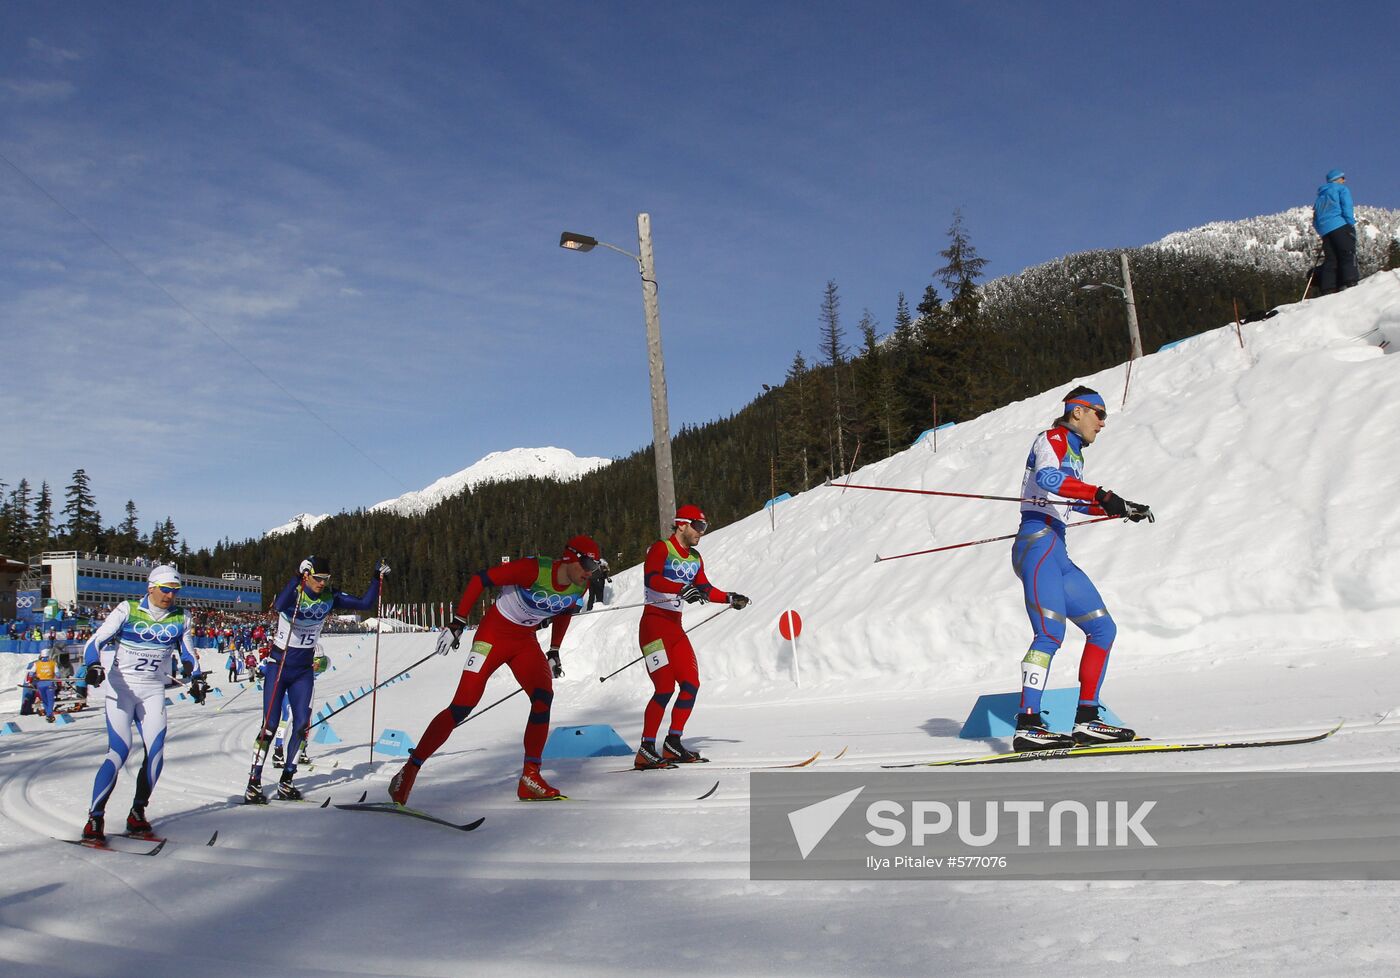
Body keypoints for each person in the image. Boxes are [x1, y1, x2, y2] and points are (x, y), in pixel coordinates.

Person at [388, 535, 603, 805]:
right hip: (493, 636)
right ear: (570, 557)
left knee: (542, 697)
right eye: (586, 564)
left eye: (594, 567)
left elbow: (564, 614)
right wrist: (458, 621)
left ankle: (530, 777)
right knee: (461, 707)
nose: (589, 572)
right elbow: (481, 579)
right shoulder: (534, 570)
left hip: (524, 641)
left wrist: (554, 650)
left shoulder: (578, 587)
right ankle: (408, 771)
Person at [1010, 387, 1153, 751]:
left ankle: (1087, 720)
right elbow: (1048, 480)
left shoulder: (1074, 453)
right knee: (1049, 635)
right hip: (1037, 542)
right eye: (1099, 414)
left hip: (1057, 548)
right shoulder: (1053, 438)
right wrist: (1100, 494)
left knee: (1102, 629)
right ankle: (1027, 724)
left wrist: (1117, 507)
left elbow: (1071, 503)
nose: (1103, 424)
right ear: (1077, 412)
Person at [243, 555, 387, 804]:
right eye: (318, 578)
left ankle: (287, 779)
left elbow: (365, 603)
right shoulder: (295, 594)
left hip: (303, 671)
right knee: (270, 725)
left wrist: (376, 577)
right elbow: (280, 605)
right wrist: (296, 577)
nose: (322, 583)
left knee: (301, 725)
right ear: (307, 575)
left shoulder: (329, 597)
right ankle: (253, 782)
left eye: (326, 579)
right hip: (278, 667)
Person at [79, 565, 201, 841]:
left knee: (156, 753)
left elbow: (189, 653)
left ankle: (137, 814)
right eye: (165, 590)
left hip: (152, 691)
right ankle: (94, 818)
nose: (170, 596)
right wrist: (93, 665)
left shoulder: (182, 617)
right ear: (151, 588)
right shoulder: (127, 610)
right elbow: (94, 642)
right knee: (119, 752)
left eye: (174, 591)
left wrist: (196, 677)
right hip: (121, 691)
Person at [633, 505, 750, 769]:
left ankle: (673, 743)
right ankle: (645, 748)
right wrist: (681, 588)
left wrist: (730, 598)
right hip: (653, 626)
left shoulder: (695, 558)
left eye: (704, 527)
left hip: (675, 628)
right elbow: (651, 579)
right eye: (698, 526)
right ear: (682, 524)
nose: (701, 532)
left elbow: (705, 588)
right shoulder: (661, 548)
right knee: (664, 688)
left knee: (690, 683)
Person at [1313, 168, 1358, 295]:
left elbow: (1315, 217)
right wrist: (1350, 223)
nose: (1345, 180)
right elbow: (1347, 206)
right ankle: (1351, 281)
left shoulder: (1321, 196)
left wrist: (1322, 230)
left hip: (1325, 230)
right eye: (1343, 178)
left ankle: (1328, 288)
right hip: (1340, 225)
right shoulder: (1341, 189)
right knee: (1348, 253)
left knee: (1331, 259)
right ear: (1337, 179)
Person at [33, 648, 59, 722]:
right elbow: (58, 674)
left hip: (40, 684)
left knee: (44, 700)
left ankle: (48, 714)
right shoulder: (53, 663)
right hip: (50, 683)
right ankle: (49, 714)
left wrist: (36, 676)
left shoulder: (36, 664)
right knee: (50, 700)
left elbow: (31, 673)